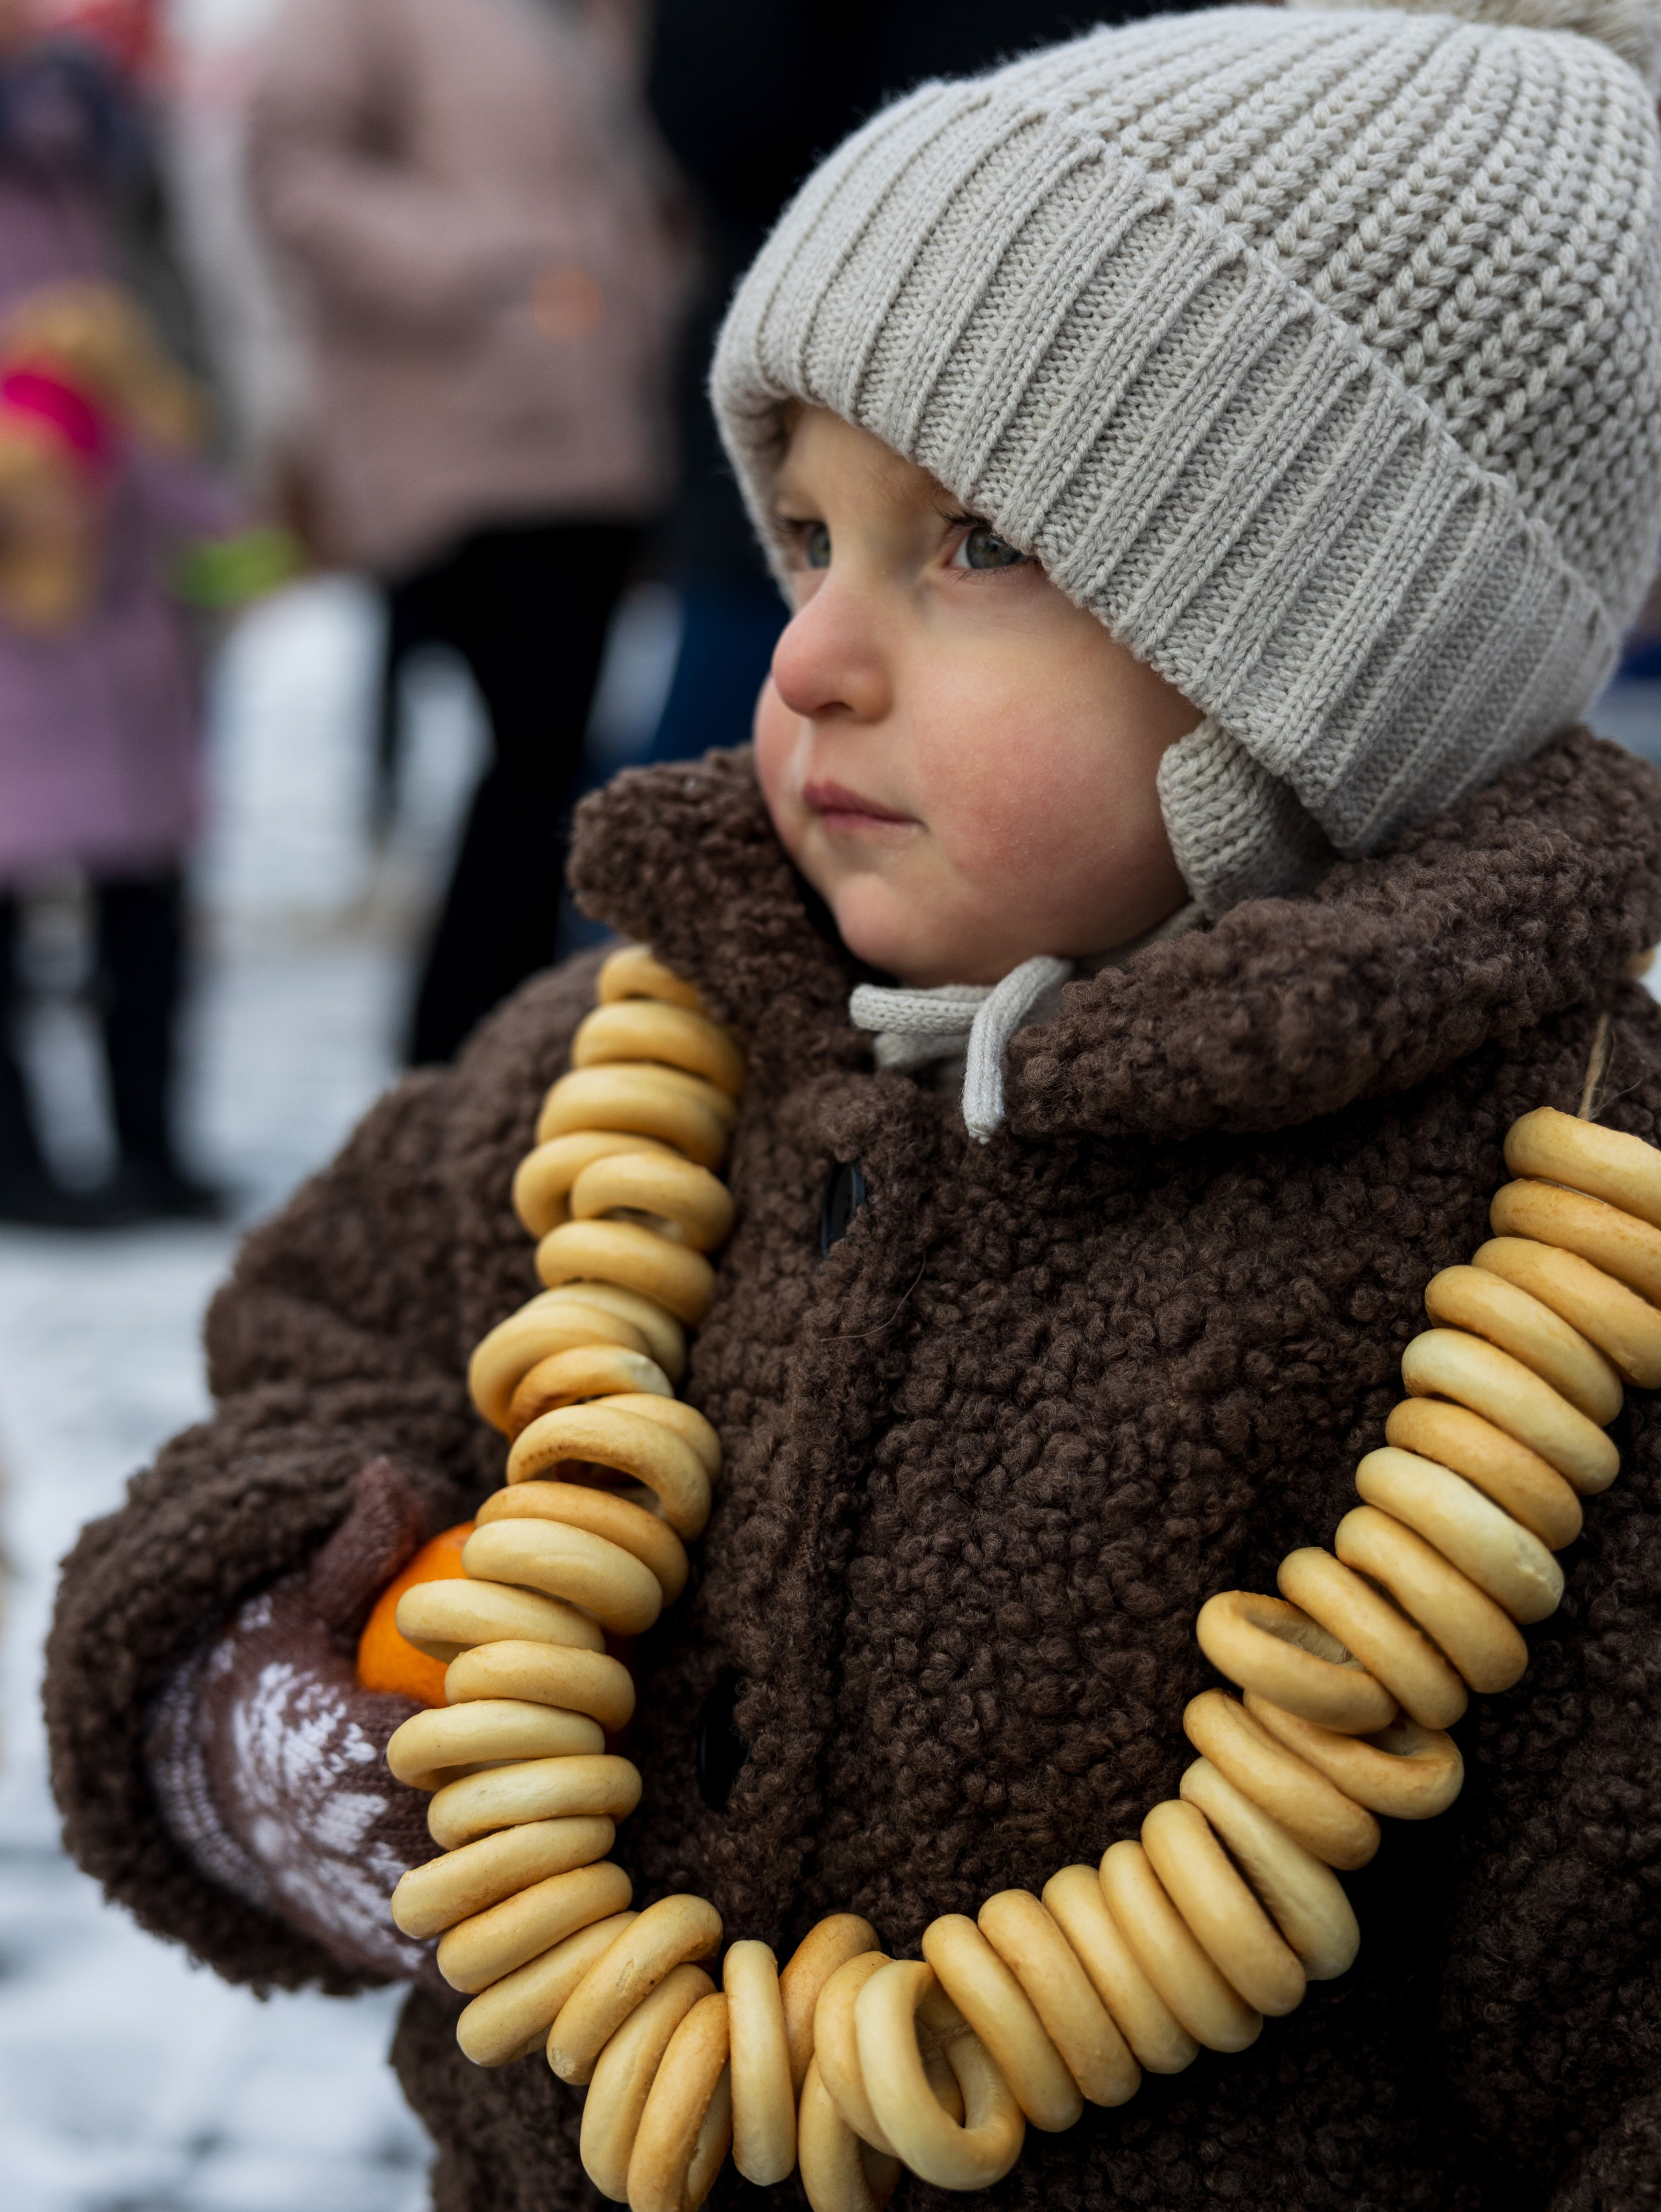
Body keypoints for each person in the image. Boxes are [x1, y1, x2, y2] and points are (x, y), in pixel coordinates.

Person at [43, 1, 1661, 2206]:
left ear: (1333, 670)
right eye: (806, 533)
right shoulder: (633, 1060)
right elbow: (311, 1354)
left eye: (974, 543)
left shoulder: (1547, 1253)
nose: (807, 653)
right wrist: (261, 1684)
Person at [246, 0, 681, 1068]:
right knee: (536, 750)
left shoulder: (561, 17)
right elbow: (295, 180)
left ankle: (513, 1036)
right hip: (457, 441)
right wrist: (494, 270)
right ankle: (457, 1049)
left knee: (559, 756)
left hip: (593, 430)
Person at [0, 0, 236, 1225]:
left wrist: (211, 508)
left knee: (144, 876)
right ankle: (20, 1157)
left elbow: (151, 340)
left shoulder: (85, 127)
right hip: (23, 564)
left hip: (121, 573)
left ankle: (150, 1136)